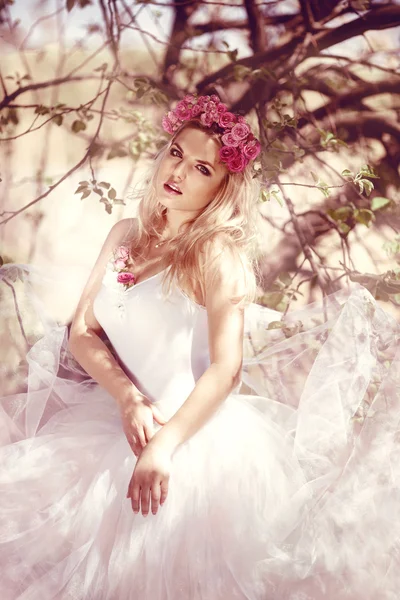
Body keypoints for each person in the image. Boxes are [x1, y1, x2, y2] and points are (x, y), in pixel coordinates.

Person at [0, 94, 399, 600]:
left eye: (202, 167)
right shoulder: (125, 233)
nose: (179, 171)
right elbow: (82, 331)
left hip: (192, 445)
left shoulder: (215, 253)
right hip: (117, 423)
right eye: (176, 153)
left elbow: (227, 369)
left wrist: (164, 448)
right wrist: (127, 398)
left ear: (220, 187)